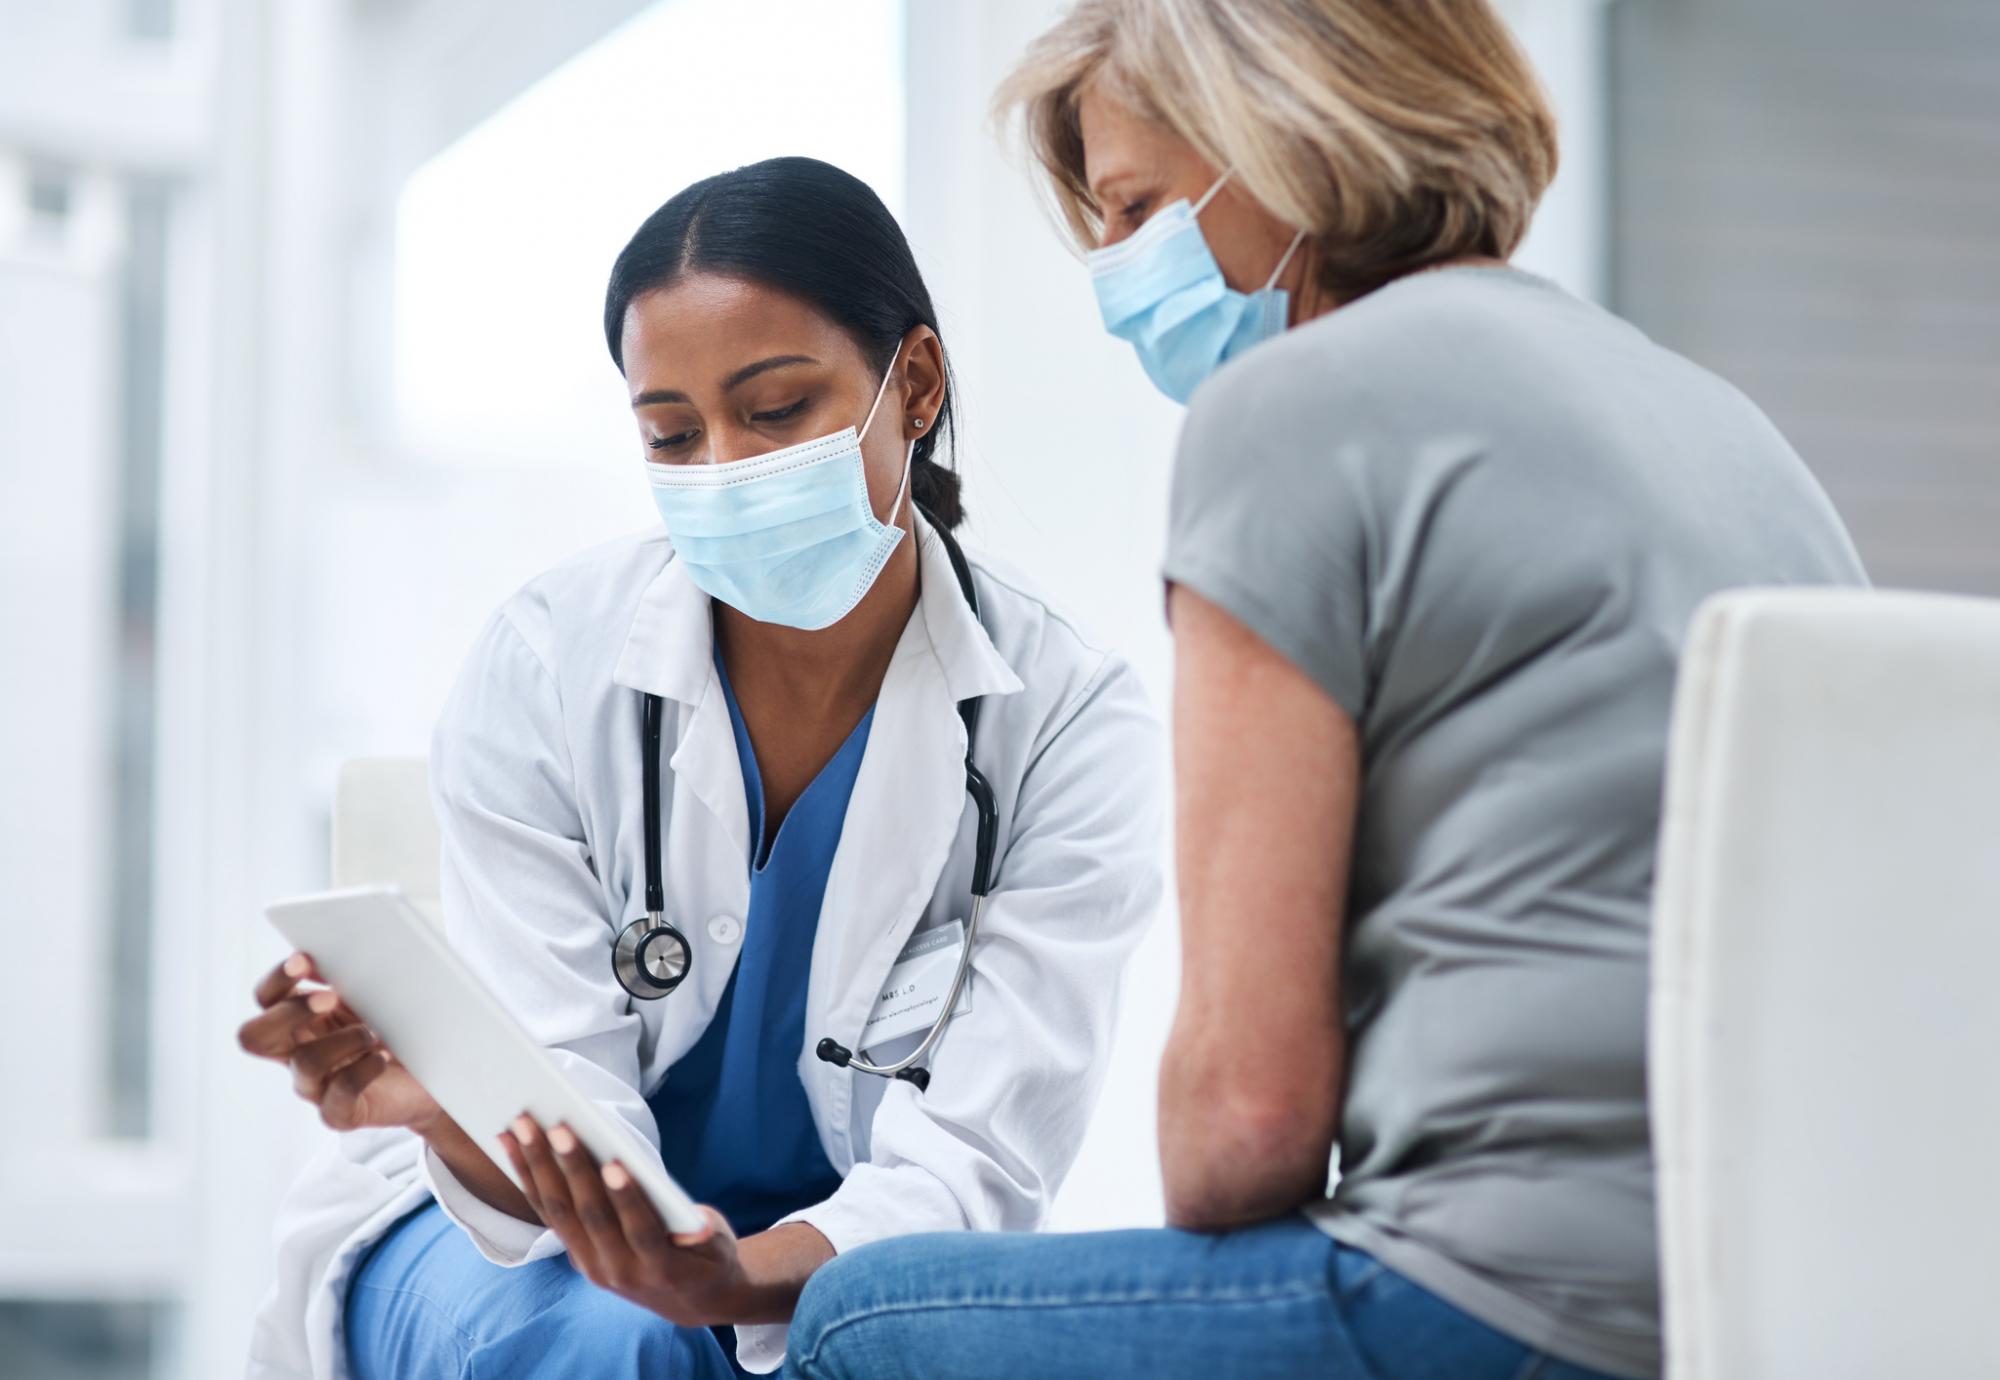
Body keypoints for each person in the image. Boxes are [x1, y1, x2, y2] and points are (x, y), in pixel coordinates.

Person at [782, 3, 1868, 1379]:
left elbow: (1242, 1129)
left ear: (1290, 137)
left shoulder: (1290, 411)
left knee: (859, 1320)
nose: (1116, 275)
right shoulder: (1718, 419)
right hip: (1780, 1301)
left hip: (1511, 1307)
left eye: (1135, 208)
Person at [238, 156, 1163, 1380]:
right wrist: (453, 1121)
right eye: (672, 434)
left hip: (826, 1260)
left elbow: (978, 1163)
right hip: (500, 1238)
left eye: (775, 410)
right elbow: (553, 1122)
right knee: (634, 1349)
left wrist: (733, 1278)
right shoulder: (548, 667)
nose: (724, 466)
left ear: (917, 383)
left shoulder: (1063, 724)